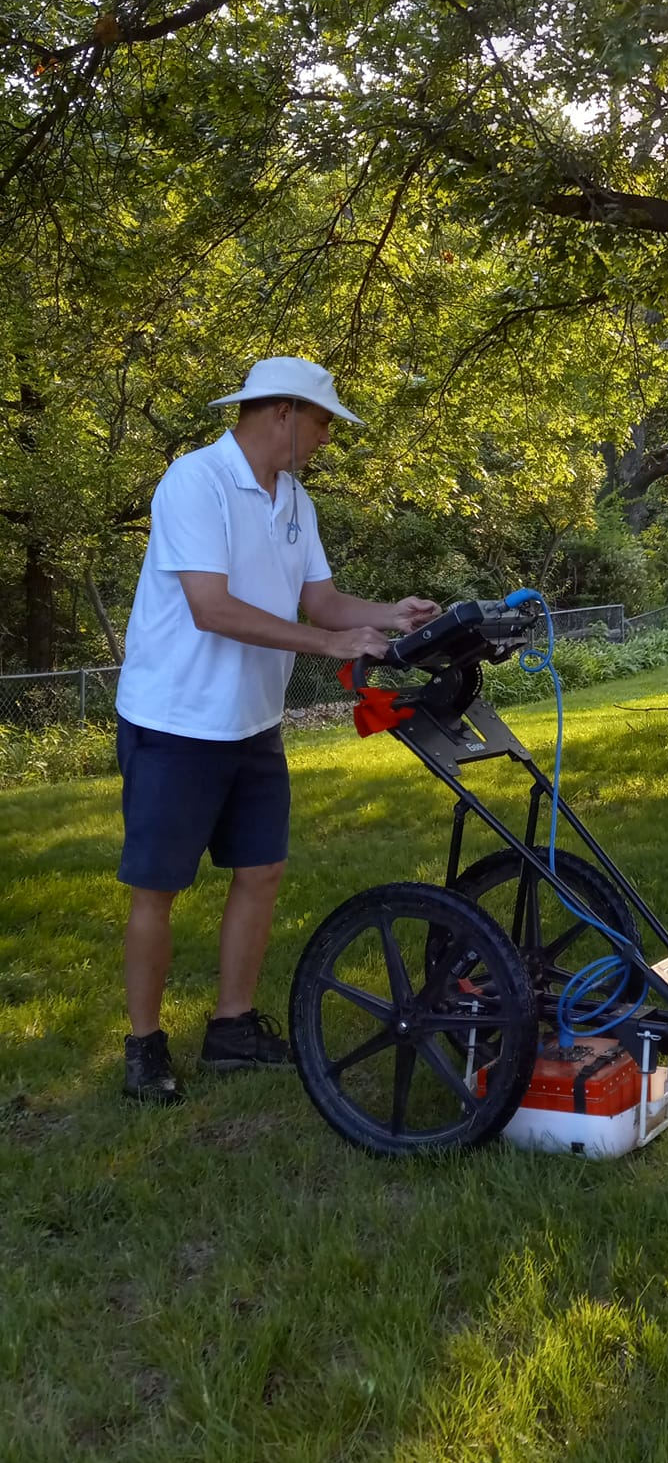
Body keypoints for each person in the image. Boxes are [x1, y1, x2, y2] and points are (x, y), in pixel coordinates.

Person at [114, 357, 440, 1104]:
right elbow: (213, 609)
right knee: (157, 888)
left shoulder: (294, 498)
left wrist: (388, 614)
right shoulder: (195, 481)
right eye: (325, 420)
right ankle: (144, 1046)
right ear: (283, 412)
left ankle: (232, 1028)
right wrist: (332, 649)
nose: (330, 435)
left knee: (259, 872)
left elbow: (320, 601)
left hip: (252, 723)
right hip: (175, 720)